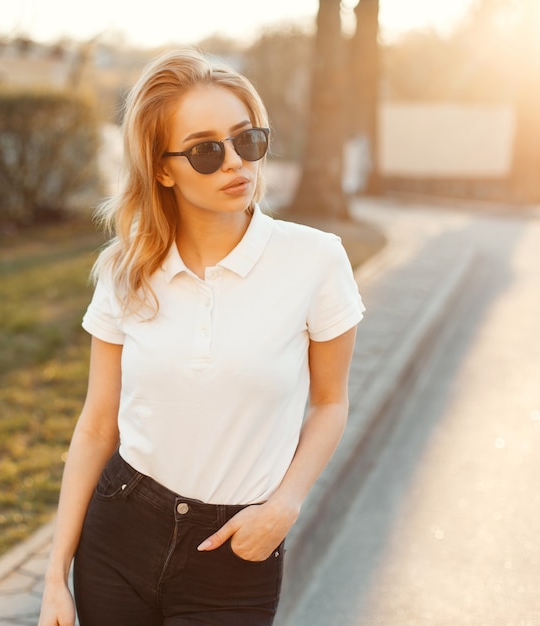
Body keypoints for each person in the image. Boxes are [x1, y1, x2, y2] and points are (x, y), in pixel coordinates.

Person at [38, 47, 364, 626]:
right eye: (207, 151)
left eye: (248, 140)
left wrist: (285, 504)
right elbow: (95, 424)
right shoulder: (126, 268)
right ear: (162, 168)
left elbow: (331, 401)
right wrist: (53, 576)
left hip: (236, 551)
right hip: (119, 533)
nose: (236, 163)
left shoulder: (316, 259)